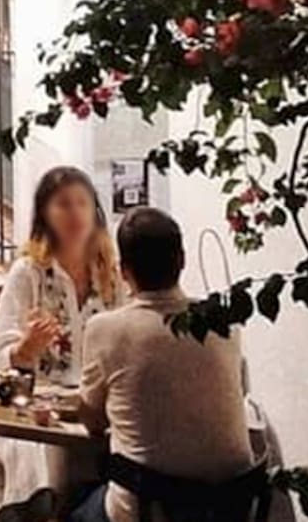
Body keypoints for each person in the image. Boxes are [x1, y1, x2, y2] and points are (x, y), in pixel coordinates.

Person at [69, 208, 254, 522]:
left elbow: (93, 421)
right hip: (230, 508)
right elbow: (239, 390)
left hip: (149, 511)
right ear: (182, 260)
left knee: (72, 499)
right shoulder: (222, 321)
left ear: (123, 271)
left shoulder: (106, 329)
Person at [0, 168, 124, 521]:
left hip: (100, 405)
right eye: (63, 204)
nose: (76, 213)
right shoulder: (29, 272)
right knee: (43, 461)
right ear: (45, 214)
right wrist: (26, 349)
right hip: (40, 406)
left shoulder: (111, 273)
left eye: (83, 203)